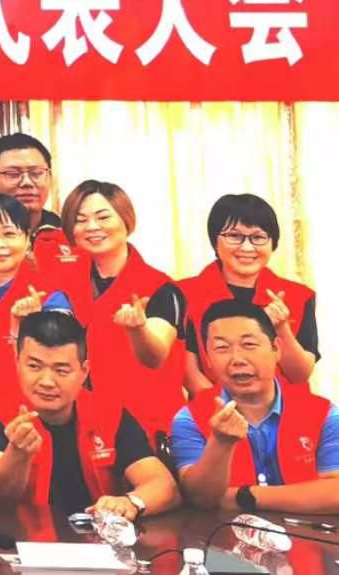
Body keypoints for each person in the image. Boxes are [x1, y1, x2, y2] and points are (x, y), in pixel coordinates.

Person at [0, 311, 178, 522]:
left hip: (97, 535)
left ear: (84, 371)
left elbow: (164, 486)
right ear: (17, 361)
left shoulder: (109, 412)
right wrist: (17, 453)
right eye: (34, 366)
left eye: (61, 370)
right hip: (20, 537)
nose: (46, 381)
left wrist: (131, 502)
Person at [173, 300, 339, 514]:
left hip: (309, 533)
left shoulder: (324, 413)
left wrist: (245, 496)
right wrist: (220, 444)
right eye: (222, 348)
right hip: (223, 533)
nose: (237, 359)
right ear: (208, 358)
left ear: (276, 349)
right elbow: (199, 498)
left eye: (249, 345)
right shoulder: (189, 418)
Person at [59, 180, 188, 435]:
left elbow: (155, 355)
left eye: (103, 217)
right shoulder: (66, 284)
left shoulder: (160, 288)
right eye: (81, 220)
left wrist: (138, 330)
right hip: (89, 428)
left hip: (149, 427)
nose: (92, 227)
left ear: (126, 220)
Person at [175, 193, 319, 396]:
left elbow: (300, 375)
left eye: (258, 237)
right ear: (215, 242)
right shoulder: (183, 294)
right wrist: (230, 410)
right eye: (234, 236)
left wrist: (282, 329)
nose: (247, 247)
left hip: (286, 412)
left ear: (273, 243)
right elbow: (190, 374)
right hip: (215, 410)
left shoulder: (299, 296)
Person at [0, 194, 73, 419]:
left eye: (9, 234)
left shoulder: (49, 296)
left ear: (28, 238)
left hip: (30, 419)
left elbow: (62, 367)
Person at [0, 133, 73, 270]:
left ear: (50, 177)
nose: (27, 182)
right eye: (13, 174)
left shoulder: (70, 235)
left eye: (36, 173)